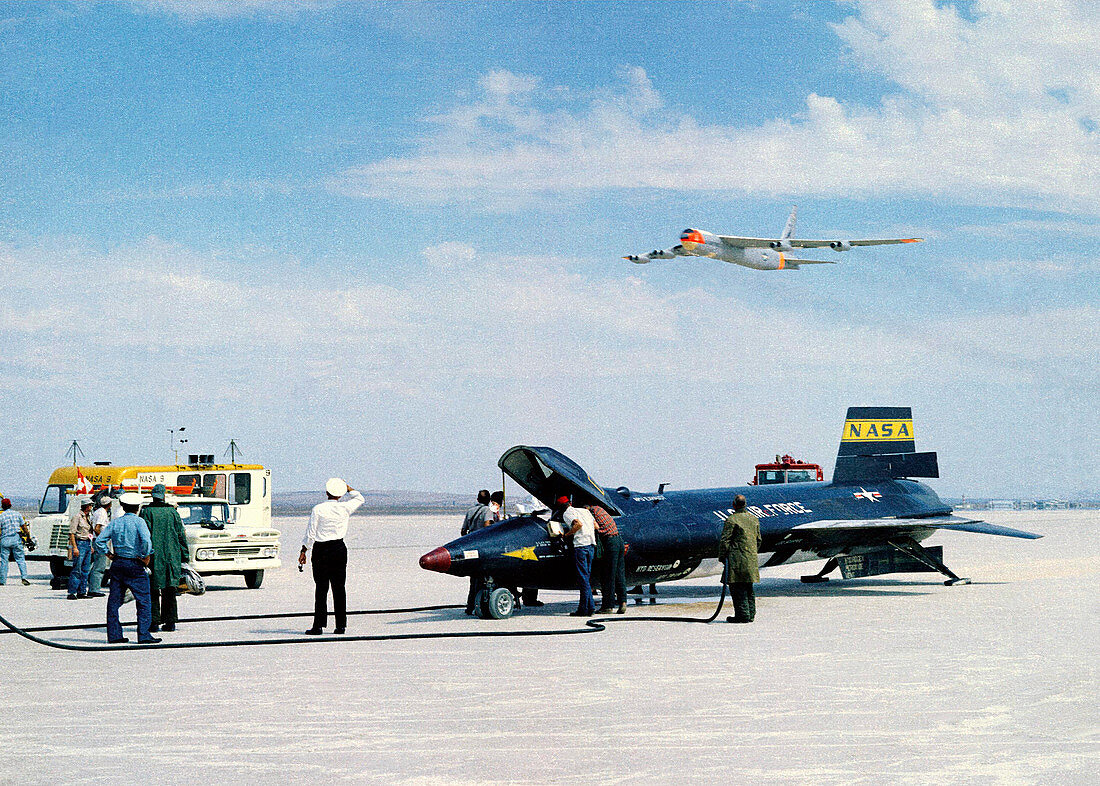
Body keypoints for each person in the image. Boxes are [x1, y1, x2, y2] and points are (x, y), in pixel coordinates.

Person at [298, 478, 364, 635]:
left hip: (321, 551)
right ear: (340, 494)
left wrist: (304, 550)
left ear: (327, 492)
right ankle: (340, 626)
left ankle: (318, 626)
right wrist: (348, 488)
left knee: (321, 589)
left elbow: (311, 532)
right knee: (339, 588)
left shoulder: (318, 509)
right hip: (339, 549)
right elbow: (360, 498)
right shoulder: (345, 508)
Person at [94, 492, 159, 644]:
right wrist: (145, 556)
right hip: (135, 564)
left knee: (114, 602)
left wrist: (109, 555)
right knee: (143, 600)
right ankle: (143, 635)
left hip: (118, 564)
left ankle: (115, 635)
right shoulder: (139, 522)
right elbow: (146, 542)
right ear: (137, 508)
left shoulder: (115, 523)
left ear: (123, 507)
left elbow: (99, 541)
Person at [140, 483, 189, 633]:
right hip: (171, 557)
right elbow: (181, 535)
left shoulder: (146, 512)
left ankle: (153, 623)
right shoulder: (173, 512)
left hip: (153, 557)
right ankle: (170, 622)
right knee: (170, 590)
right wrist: (185, 556)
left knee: (153, 590)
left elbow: (143, 536)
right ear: (164, 496)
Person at [718, 494, 762, 623]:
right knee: (749, 587)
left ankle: (742, 615)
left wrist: (722, 556)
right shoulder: (754, 519)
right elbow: (758, 540)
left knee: (737, 588)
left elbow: (725, 541)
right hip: (750, 558)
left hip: (736, 559)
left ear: (734, 505)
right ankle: (750, 614)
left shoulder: (732, 520)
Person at [558, 495, 597, 617]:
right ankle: (591, 607)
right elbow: (596, 526)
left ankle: (583, 609)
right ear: (570, 502)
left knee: (583, 578)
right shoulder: (585, 511)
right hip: (591, 545)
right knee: (587, 577)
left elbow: (578, 524)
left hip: (581, 546)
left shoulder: (567, 514)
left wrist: (567, 534)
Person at [589, 503, 627, 614]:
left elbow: (596, 527)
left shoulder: (591, 513)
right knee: (619, 574)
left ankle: (608, 606)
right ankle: (623, 602)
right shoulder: (600, 509)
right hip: (618, 540)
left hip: (610, 542)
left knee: (608, 575)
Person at [461, 489, 493, 615]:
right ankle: (479, 605)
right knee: (482, 579)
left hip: (471, 546)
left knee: (473, 578)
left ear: (478, 499)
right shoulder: (487, 511)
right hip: (482, 547)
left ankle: (470, 607)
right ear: (489, 501)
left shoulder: (470, 511)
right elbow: (487, 527)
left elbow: (463, 531)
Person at [66, 498, 96, 599]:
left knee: (85, 569)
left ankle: (82, 591)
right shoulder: (77, 517)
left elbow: (89, 533)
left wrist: (91, 546)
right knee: (77, 569)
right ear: (86, 506)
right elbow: (72, 533)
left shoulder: (88, 518)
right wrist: (74, 547)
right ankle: (72, 592)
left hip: (87, 543)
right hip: (79, 543)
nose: (91, 507)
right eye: (90, 505)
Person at [0, 498, 31, 586]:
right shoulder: (17, 514)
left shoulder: (1, 516)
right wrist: (28, 537)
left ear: (2, 506)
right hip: (16, 538)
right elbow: (24, 527)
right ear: (10, 505)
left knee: (4, 560)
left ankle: (2, 580)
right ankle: (24, 577)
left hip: (5, 539)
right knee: (20, 559)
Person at [86, 495, 112, 597]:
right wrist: (102, 538)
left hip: (94, 540)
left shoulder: (97, 512)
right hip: (99, 541)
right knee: (99, 566)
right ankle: (94, 589)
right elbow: (97, 528)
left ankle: (88, 587)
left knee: (90, 565)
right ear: (109, 504)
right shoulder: (102, 513)